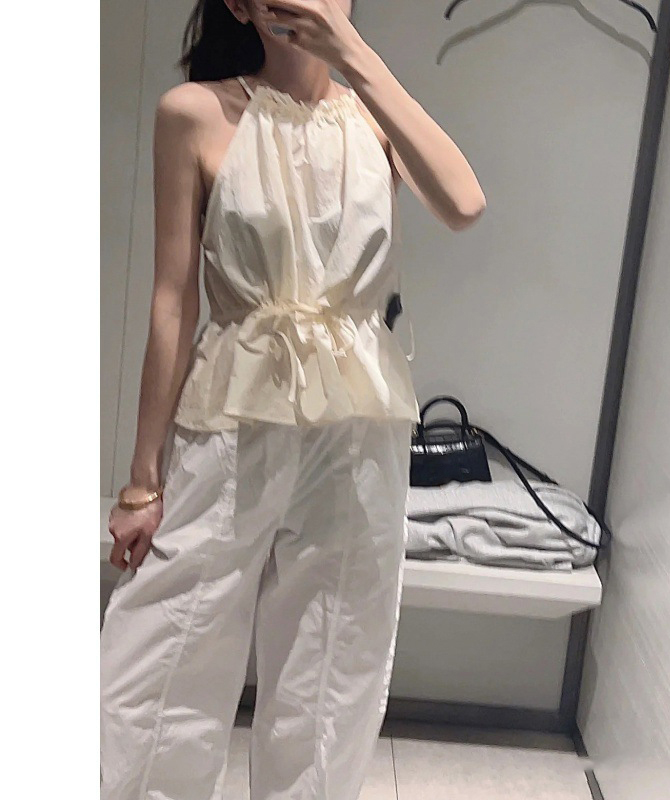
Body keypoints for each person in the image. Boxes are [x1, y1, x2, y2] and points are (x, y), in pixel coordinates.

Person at [99, 1, 486, 797]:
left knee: (332, 658)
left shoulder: (375, 113)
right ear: (241, 5)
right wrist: (142, 480)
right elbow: (173, 299)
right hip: (233, 410)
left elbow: (463, 202)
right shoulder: (194, 113)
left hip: (359, 423)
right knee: (166, 644)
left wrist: (354, 56)